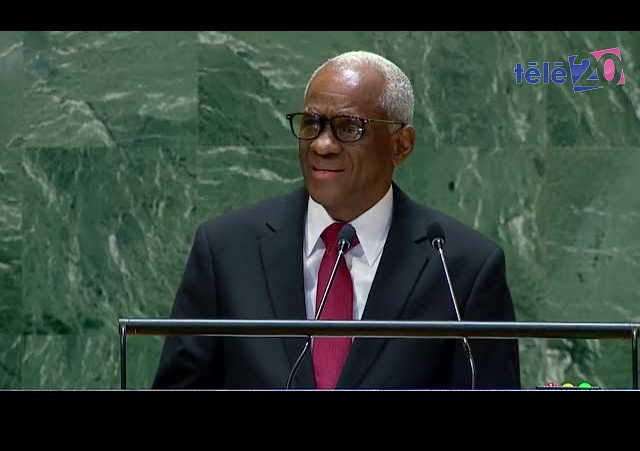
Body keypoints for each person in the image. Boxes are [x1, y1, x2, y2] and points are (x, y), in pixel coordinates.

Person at [151, 50, 521, 390]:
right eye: (311, 124)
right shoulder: (227, 250)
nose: (322, 145)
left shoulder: (462, 267)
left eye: (348, 128)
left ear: (401, 145)